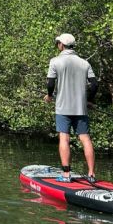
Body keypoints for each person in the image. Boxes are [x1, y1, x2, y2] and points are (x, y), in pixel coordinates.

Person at [43, 33, 98, 181]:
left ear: (61, 45)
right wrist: (90, 100)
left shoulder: (55, 61)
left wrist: (49, 95)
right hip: (81, 108)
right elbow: (94, 85)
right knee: (85, 138)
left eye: (57, 44)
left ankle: (66, 174)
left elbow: (50, 83)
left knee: (64, 138)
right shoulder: (84, 63)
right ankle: (91, 174)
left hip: (63, 108)